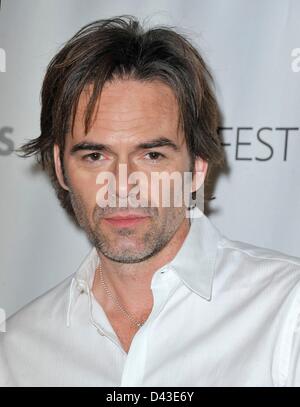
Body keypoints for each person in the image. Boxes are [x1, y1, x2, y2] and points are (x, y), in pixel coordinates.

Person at [1, 15, 300, 387]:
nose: (123, 186)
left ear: (198, 167)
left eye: (152, 155)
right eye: (95, 156)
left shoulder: (288, 312)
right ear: (61, 169)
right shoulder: (16, 350)